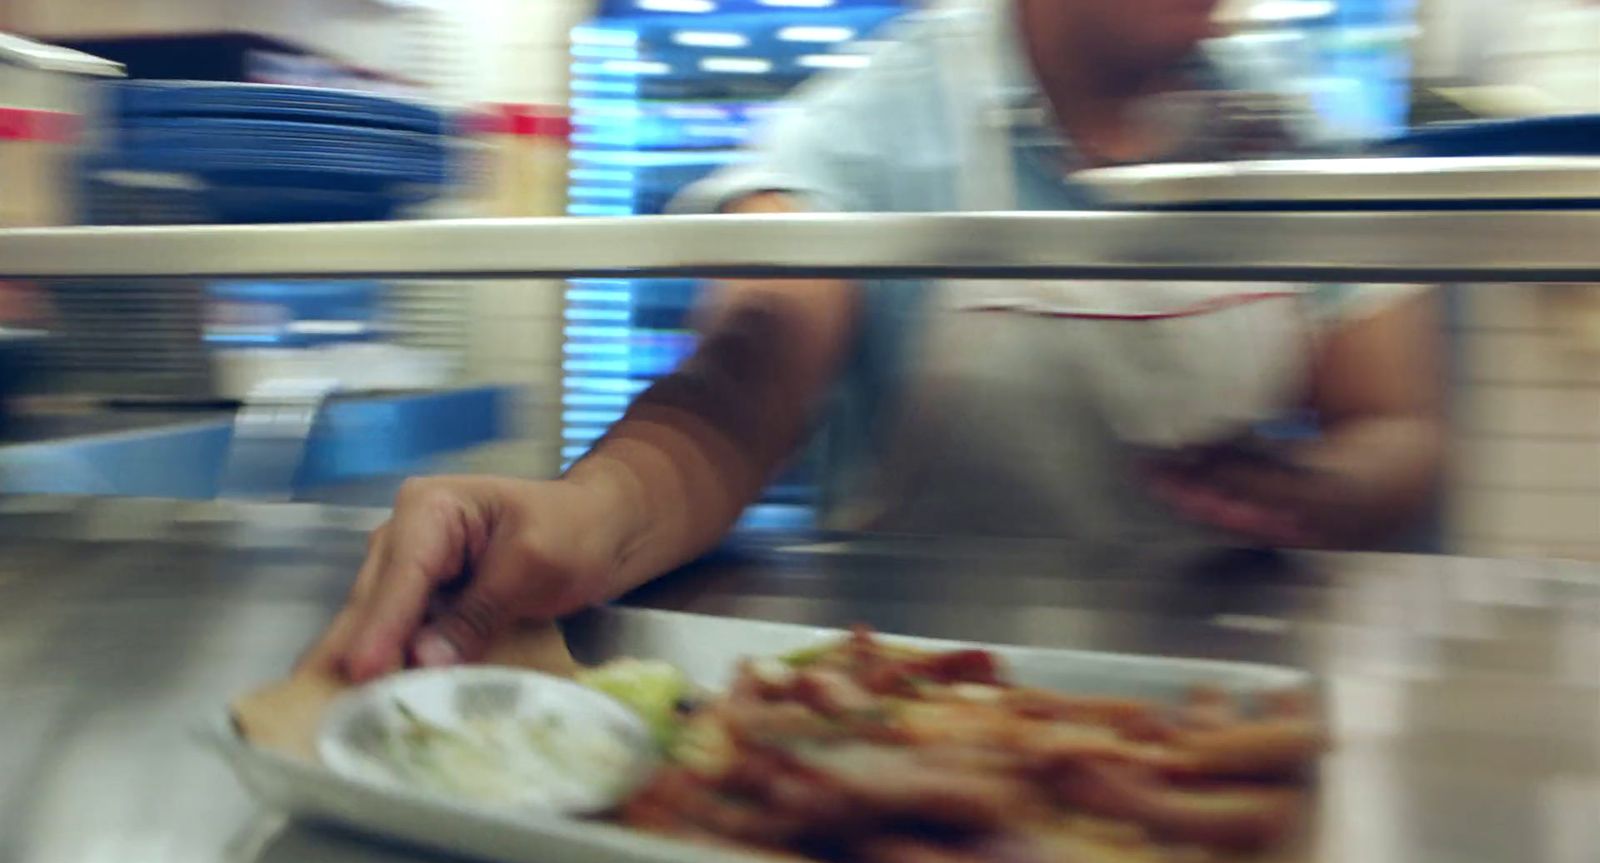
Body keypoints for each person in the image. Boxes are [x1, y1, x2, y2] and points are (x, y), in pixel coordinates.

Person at [306, 0, 1443, 682]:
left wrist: (1316, 491)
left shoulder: (1288, 135)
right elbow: (744, 371)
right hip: (932, 707)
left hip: (1230, 701)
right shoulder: (878, 125)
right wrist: (583, 516)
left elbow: (1395, 422)